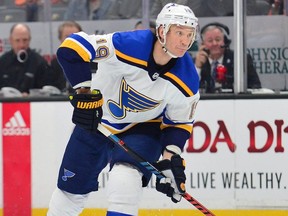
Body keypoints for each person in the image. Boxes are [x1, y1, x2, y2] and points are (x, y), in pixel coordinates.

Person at [47, 3, 199, 216]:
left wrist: (169, 158)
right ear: (163, 31)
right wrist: (84, 93)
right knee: (69, 193)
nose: (185, 41)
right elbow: (71, 47)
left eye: (190, 34)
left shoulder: (188, 78)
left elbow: (179, 123)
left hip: (143, 127)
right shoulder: (128, 45)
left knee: (125, 179)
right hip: (97, 120)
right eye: (180, 33)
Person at [194, 22, 262, 93]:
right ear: (203, 44)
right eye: (210, 41)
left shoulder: (240, 59)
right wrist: (198, 67)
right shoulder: (195, 62)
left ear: (225, 41)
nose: (214, 44)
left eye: (218, 39)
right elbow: (189, 88)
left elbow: (256, 87)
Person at [0, 23, 52, 97]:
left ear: (29, 39)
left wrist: (30, 96)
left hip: (33, 106)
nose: (22, 45)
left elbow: (46, 92)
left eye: (25, 40)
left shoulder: (40, 62)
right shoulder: (2, 62)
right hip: (6, 106)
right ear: (11, 40)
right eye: (17, 40)